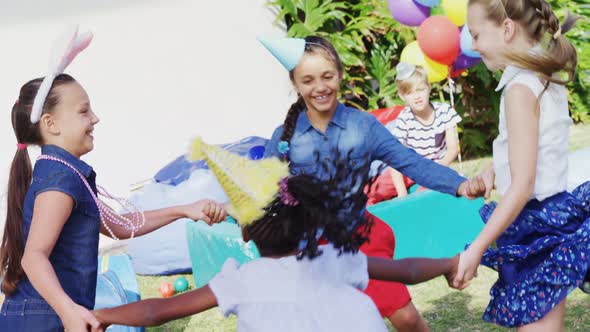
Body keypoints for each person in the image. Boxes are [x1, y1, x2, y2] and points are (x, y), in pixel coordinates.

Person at [90, 139, 463, 332]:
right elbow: (410, 271)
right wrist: (450, 263)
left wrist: (103, 315)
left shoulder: (241, 279)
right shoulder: (334, 259)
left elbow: (157, 310)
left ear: (246, 230)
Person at [0, 27, 226, 332]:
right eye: (83, 111)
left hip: (47, 312)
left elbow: (119, 226)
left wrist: (184, 210)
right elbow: (33, 258)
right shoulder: (60, 182)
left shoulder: (68, 173)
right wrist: (68, 312)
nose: (95, 118)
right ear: (51, 124)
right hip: (42, 317)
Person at [258, 35, 485, 331]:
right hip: (309, 247)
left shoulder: (363, 126)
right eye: (308, 80)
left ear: (340, 74)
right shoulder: (285, 137)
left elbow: (410, 162)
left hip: (359, 237)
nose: (320, 87)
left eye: (327, 76)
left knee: (405, 318)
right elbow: (260, 190)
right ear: (296, 84)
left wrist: (459, 185)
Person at [453, 1, 590, 330]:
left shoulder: (519, 89)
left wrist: (477, 249)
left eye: (475, 34)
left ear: (507, 29)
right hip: (546, 217)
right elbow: (540, 152)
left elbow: (524, 184)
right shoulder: (541, 76)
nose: (472, 45)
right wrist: (493, 171)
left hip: (536, 224)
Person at [368, 63, 462, 204]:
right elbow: (395, 158)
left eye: (420, 90)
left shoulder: (444, 111)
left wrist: (433, 172)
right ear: (402, 96)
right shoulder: (404, 119)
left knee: (458, 185)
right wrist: (402, 194)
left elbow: (453, 149)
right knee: (379, 187)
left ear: (429, 88)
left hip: (437, 166)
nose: (417, 96)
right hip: (411, 169)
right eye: (410, 93)